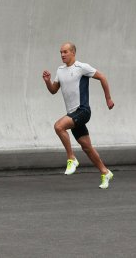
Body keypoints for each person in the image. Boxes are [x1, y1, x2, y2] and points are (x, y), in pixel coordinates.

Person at [42, 42, 115, 189]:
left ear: (73, 53)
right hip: (73, 114)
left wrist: (108, 98)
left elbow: (103, 77)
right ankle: (105, 171)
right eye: (60, 52)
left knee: (58, 126)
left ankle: (71, 158)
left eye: (65, 52)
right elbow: (53, 90)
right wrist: (48, 81)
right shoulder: (60, 70)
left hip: (83, 111)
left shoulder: (81, 67)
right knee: (87, 147)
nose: (62, 55)